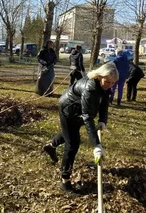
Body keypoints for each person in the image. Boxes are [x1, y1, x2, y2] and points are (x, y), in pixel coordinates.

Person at [43, 62, 118, 193]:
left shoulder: (103, 86)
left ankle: (50, 146)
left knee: (69, 134)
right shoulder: (90, 88)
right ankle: (64, 181)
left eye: (112, 83)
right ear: (100, 76)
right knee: (72, 144)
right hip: (69, 110)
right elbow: (87, 117)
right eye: (108, 82)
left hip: (78, 111)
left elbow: (104, 103)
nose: (109, 85)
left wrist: (102, 120)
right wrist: (96, 145)